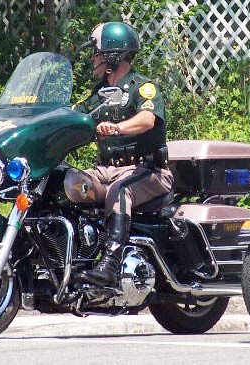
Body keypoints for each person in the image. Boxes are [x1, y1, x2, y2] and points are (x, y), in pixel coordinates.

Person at [73, 22, 174, 286]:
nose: (93, 59)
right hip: (104, 169)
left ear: (113, 55)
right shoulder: (97, 93)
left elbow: (147, 119)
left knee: (119, 190)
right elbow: (74, 116)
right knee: (66, 184)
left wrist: (117, 128)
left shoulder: (142, 88)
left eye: (96, 53)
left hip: (147, 171)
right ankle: (70, 259)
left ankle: (110, 265)